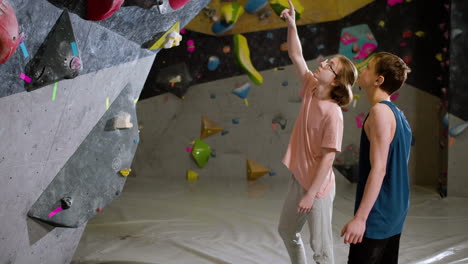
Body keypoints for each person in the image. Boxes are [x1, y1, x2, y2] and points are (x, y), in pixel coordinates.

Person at [277, 1, 358, 263]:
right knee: (287, 230)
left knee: (321, 249)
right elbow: (296, 55)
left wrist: (311, 194)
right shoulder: (312, 87)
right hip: (299, 178)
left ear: (336, 80)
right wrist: (292, 25)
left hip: (318, 188)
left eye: (330, 65)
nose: (322, 63)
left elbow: (328, 158)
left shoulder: (332, 112)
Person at [340, 52, 412, 264]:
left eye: (368, 67)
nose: (362, 69)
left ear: (378, 80)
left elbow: (379, 169)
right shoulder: (398, 113)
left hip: (378, 211)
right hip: (395, 207)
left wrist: (361, 218)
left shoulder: (380, 113)